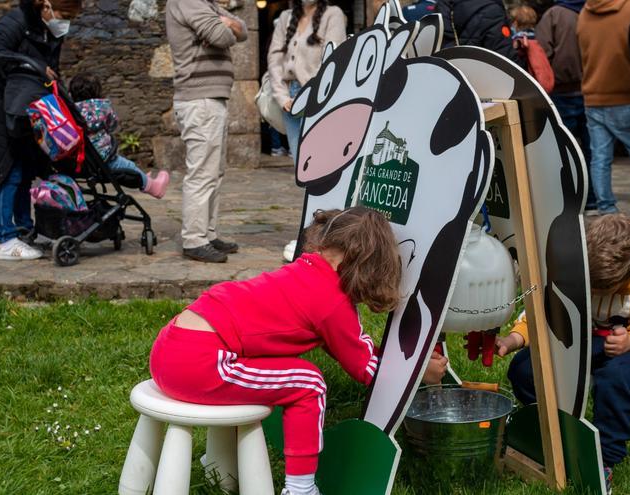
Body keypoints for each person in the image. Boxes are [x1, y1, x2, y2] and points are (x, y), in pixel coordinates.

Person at [149, 207, 399, 495]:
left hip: (170, 347)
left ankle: (220, 462)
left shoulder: (304, 269)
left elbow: (345, 347)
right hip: (197, 363)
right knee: (309, 383)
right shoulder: (333, 301)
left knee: (284, 370)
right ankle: (300, 489)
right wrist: (416, 371)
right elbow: (365, 367)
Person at [498, 213, 630, 494]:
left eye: (603, 289)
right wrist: (515, 338)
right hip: (585, 336)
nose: (595, 293)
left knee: (616, 378)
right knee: (524, 369)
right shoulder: (572, 263)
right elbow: (546, 309)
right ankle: (552, 431)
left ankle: (603, 458)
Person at [0, 0, 82, 261]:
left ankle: (25, 230)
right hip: (2, 106)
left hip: (27, 109)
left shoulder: (49, 31)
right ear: (46, 5)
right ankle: (5, 239)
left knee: (25, 171)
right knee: (8, 173)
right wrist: (33, 65)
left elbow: (51, 70)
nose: (65, 22)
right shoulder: (15, 21)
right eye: (63, 14)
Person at [166, 0, 247, 263]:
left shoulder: (206, 4)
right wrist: (224, 27)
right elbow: (222, 36)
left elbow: (243, 30)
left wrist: (228, 22)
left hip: (210, 99)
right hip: (199, 99)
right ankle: (195, 239)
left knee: (214, 172)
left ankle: (207, 233)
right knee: (202, 172)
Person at [578, 0, 630, 215]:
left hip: (592, 96)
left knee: (600, 158)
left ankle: (606, 208)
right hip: (625, 95)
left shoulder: (585, 12)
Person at [536, 0, 598, 214]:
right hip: (592, 90)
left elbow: (542, 52)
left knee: (563, 150)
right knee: (593, 151)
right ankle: (593, 200)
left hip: (562, 91)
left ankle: (568, 202)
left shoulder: (554, 14)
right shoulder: (594, 11)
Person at [268, 0, 347, 164]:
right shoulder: (285, 17)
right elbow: (274, 60)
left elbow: (333, 60)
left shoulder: (333, 14)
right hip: (290, 100)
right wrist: (282, 97)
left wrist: (310, 94)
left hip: (321, 97)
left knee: (322, 163)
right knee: (301, 164)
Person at [67, 73, 170, 199]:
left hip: (79, 162)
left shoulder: (69, 111)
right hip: (103, 159)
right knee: (128, 167)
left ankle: (145, 178)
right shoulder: (102, 107)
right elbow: (112, 125)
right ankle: (152, 186)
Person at [436, 0, 521, 64]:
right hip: (479, 78)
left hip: (444, 71)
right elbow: (506, 60)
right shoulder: (492, 9)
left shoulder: (442, 4)